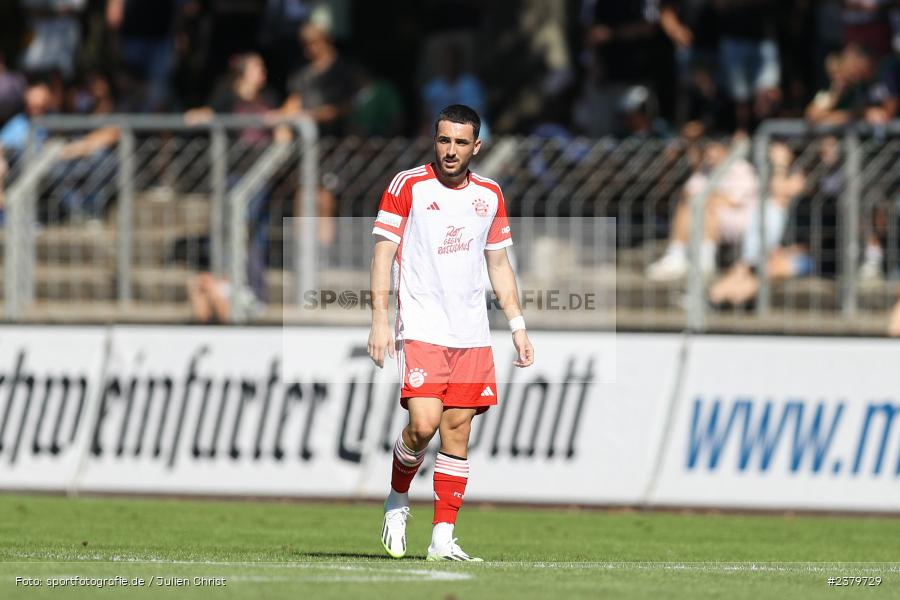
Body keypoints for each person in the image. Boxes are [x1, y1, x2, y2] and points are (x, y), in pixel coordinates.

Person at [368, 104, 534, 561]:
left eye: (461, 142)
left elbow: (498, 264)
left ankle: (443, 538)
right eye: (444, 140)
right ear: (433, 139)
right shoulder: (408, 186)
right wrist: (380, 319)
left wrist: (517, 326)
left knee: (457, 431)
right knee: (422, 425)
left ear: (476, 146)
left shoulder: (490, 194)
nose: (451, 150)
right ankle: (397, 499)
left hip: (472, 332)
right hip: (421, 324)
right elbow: (384, 254)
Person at [646, 140, 760, 281]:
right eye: (708, 149)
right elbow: (688, 192)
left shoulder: (742, 168)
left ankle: (705, 260)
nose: (709, 154)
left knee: (707, 209)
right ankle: (676, 256)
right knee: (686, 208)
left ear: (725, 150)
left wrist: (706, 198)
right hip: (707, 212)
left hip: (738, 221)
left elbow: (731, 201)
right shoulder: (706, 168)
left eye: (714, 149)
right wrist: (708, 197)